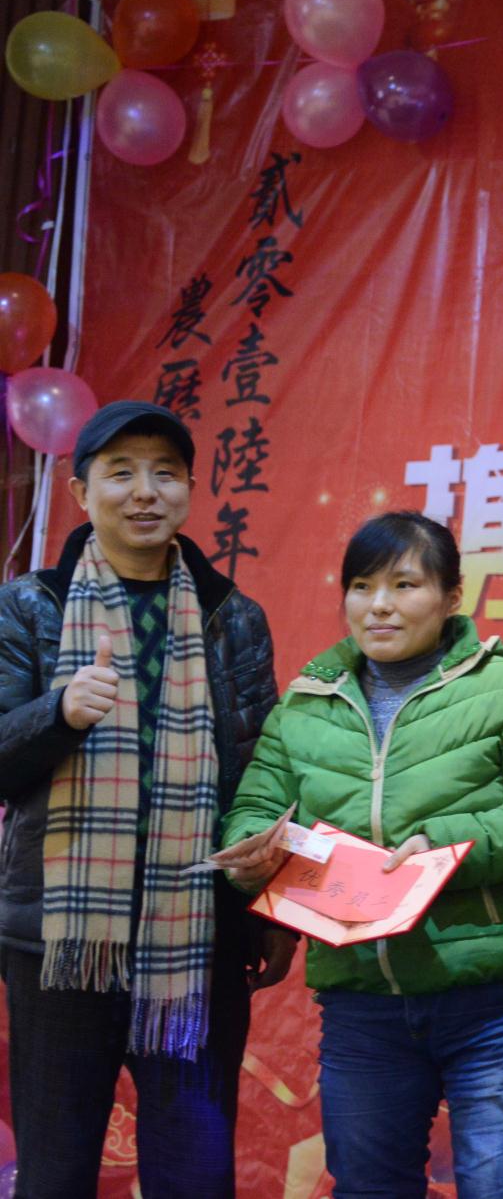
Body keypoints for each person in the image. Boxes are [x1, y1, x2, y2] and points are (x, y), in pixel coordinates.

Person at [220, 512, 503, 1198]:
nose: (378, 605)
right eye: (361, 586)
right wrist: (253, 856)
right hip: (362, 1001)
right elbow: (256, 805)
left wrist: (453, 844)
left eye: (404, 585)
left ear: (452, 598)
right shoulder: (305, 704)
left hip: (491, 1000)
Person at [0, 401, 291, 1199]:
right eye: (121, 472)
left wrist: (267, 912)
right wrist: (59, 713)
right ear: (79, 491)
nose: (144, 492)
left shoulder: (234, 617)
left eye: (165, 473)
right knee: (55, 1174)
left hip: (196, 935)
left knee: (193, 1175)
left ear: (190, 489)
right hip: (59, 942)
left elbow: (262, 778)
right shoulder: (29, 606)